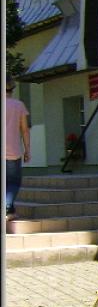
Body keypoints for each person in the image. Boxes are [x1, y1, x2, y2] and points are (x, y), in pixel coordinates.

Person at [5, 73, 31, 219]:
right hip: (13, 151)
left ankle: (10, 211)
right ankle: (7, 206)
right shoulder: (19, 105)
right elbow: (25, 130)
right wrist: (27, 150)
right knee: (14, 182)